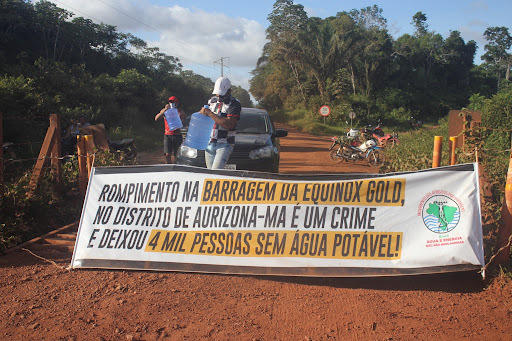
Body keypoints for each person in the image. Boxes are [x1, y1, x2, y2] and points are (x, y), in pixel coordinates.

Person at [199, 77, 241, 169]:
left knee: (215, 173)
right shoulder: (212, 101)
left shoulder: (234, 104)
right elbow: (204, 116)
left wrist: (210, 113)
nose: (219, 97)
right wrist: (202, 112)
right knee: (210, 174)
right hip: (209, 142)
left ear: (229, 91)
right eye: (218, 94)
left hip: (224, 143)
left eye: (222, 95)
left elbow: (229, 124)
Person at [155, 96, 185, 164]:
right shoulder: (165, 110)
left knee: (177, 154)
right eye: (171, 102)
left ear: (177, 103)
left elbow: (183, 121)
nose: (173, 103)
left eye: (174, 102)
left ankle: (177, 167)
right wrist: (165, 110)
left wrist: (180, 116)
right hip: (168, 135)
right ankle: (168, 167)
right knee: (167, 154)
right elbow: (156, 118)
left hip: (177, 135)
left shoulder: (180, 111)